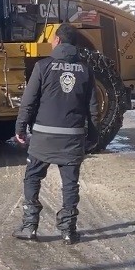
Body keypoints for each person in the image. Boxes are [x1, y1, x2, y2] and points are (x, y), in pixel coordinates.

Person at [14, 23, 99, 245]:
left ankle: (29, 226)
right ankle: (68, 231)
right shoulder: (86, 70)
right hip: (72, 137)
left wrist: (20, 128)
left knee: (33, 177)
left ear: (58, 41)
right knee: (70, 184)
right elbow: (93, 108)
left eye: (52, 39)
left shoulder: (43, 67)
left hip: (44, 137)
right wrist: (94, 136)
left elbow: (29, 102)